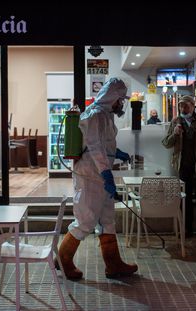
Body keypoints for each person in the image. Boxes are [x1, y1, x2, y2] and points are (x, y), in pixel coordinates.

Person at [57, 77, 138, 279]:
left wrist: (116, 152)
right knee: (85, 220)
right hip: (90, 177)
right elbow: (94, 147)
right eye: (120, 99)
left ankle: (113, 264)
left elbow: (104, 145)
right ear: (113, 98)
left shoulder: (106, 115)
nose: (122, 103)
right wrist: (105, 173)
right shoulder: (94, 115)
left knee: (108, 221)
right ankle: (62, 259)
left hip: (100, 176)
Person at [162, 95, 196, 239]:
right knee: (184, 199)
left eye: (185, 106)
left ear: (193, 106)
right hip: (183, 166)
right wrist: (175, 134)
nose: (182, 109)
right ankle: (187, 229)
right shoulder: (175, 122)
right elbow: (166, 143)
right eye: (181, 106)